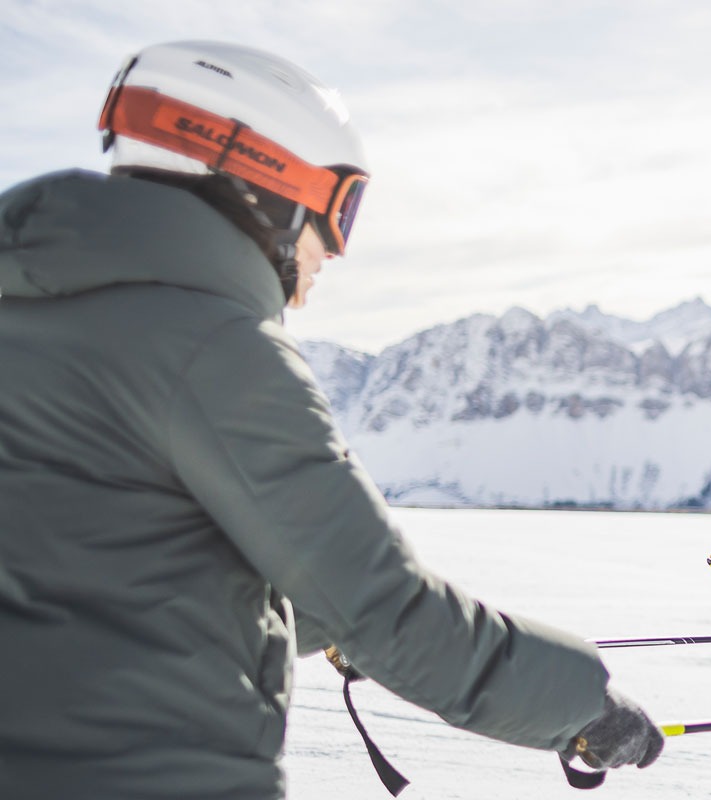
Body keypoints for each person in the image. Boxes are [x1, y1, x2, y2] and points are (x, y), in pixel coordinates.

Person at [0, 40, 661, 799]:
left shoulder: (29, 313)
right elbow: (390, 610)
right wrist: (585, 707)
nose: (336, 252)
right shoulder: (216, 352)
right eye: (340, 209)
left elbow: (109, 560)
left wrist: (311, 617)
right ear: (266, 181)